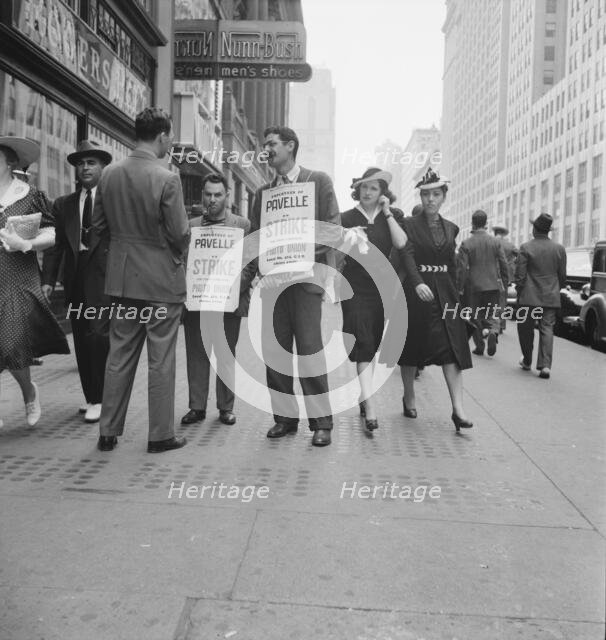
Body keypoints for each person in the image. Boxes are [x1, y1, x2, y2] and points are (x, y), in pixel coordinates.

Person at [92, 107, 190, 452]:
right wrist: (175, 256)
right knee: (161, 360)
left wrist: (121, 255)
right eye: (171, 136)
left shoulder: (108, 175)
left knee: (119, 355)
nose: (171, 141)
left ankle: (107, 432)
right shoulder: (167, 178)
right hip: (161, 281)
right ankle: (160, 435)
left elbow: (98, 229)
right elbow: (179, 232)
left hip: (123, 281)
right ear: (162, 136)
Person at [251, 126, 340, 447]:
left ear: (291, 146)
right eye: (265, 144)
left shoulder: (318, 181)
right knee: (275, 353)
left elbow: (332, 229)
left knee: (309, 351)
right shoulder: (262, 193)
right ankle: (285, 419)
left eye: (272, 144)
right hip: (273, 284)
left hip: (305, 282)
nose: (267, 149)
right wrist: (249, 279)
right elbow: (255, 239)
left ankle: (321, 423)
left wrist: (301, 252)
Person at [0, 136, 69, 428]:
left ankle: (29, 391)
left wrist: (24, 244)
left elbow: (53, 234)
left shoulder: (28, 195)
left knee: (11, 341)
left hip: (17, 273)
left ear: (11, 163)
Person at [41, 140, 112, 424]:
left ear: (103, 167)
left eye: (91, 162)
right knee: (82, 339)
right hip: (75, 278)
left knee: (99, 336)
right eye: (81, 163)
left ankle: (102, 398)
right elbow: (56, 247)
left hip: (104, 278)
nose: (85, 167)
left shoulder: (112, 201)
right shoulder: (64, 205)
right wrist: (48, 281)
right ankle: (92, 397)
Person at [398, 167, 473, 432]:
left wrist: (457, 298)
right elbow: (406, 255)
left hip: (446, 293)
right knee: (411, 346)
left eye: (436, 194)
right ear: (421, 197)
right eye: (426, 194)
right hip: (417, 291)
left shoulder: (452, 228)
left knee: (452, 347)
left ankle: (458, 409)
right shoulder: (408, 225)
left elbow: (453, 265)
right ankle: (408, 395)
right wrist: (417, 282)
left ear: (444, 197)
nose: (430, 199)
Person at [181, 173, 255, 427]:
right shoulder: (191, 226)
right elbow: (183, 262)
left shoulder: (242, 225)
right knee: (196, 354)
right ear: (202, 196)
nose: (212, 199)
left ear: (227, 196)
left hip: (228, 302)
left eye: (217, 194)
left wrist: (233, 287)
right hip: (197, 302)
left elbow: (250, 264)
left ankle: (226, 408)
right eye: (208, 194)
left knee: (225, 354)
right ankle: (196, 407)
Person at [340, 167, 407, 431]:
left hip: (380, 288)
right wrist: (349, 239)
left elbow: (400, 243)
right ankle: (370, 405)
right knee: (363, 340)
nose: (368, 192)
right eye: (364, 187)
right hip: (354, 286)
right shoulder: (346, 217)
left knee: (373, 342)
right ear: (358, 189)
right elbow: (335, 252)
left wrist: (388, 212)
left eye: (374, 188)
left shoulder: (391, 217)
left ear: (382, 193)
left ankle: (363, 394)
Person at [514, 213, 566, 379]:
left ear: (534, 229)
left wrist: (519, 292)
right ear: (548, 231)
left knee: (525, 329)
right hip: (550, 295)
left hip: (529, 297)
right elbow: (562, 276)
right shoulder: (559, 249)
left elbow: (520, 276)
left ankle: (527, 360)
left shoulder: (526, 247)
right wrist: (556, 289)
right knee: (547, 327)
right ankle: (545, 366)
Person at [457, 210, 509, 357]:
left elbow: (462, 268)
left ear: (472, 223)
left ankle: (480, 346)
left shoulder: (466, 243)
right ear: (486, 224)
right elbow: (503, 263)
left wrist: (459, 288)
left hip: (474, 286)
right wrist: (504, 281)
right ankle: (492, 331)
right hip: (493, 284)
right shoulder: (495, 242)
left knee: (475, 317)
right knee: (491, 314)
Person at [492, 225, 518, 332]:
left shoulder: (490, 242)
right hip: (504, 276)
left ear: (495, 233)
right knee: (502, 300)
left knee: (491, 300)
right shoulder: (510, 245)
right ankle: (501, 326)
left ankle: (491, 324)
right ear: (503, 234)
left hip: (491, 275)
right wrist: (512, 264)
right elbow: (520, 256)